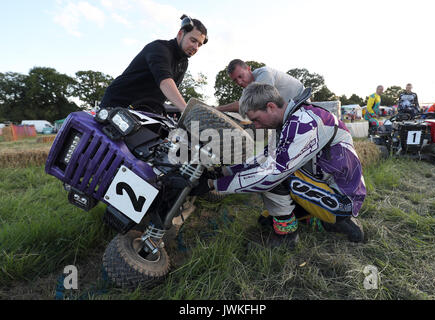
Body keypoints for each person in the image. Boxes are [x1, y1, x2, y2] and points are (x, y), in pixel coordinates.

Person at [192, 83, 366, 246]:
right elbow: (264, 157)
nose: (257, 127)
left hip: (343, 200)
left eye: (257, 120)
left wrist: (212, 185)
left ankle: (288, 237)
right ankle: (318, 219)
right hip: (325, 187)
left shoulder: (305, 122)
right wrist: (222, 171)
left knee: (273, 176)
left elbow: (271, 171)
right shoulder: (291, 120)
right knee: (266, 220)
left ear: (270, 107)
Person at [99, 15, 208, 115]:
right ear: (180, 34)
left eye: (199, 44)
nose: (196, 47)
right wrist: (187, 112)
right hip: (117, 105)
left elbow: (169, 94)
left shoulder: (183, 63)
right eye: (193, 40)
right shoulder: (159, 48)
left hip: (143, 112)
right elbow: (165, 82)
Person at [216, 59, 305, 114]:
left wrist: (217, 109)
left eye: (240, 76)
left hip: (301, 102)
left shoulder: (265, 74)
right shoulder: (247, 91)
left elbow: (245, 105)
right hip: (287, 110)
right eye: (235, 80)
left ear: (248, 69)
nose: (239, 82)